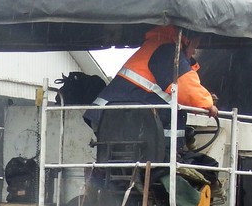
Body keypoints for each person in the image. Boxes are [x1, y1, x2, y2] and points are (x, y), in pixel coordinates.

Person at [85, 25, 219, 134]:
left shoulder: (157, 46)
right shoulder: (168, 51)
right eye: (194, 47)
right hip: (122, 120)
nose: (194, 52)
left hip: (113, 118)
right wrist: (207, 104)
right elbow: (186, 87)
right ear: (186, 41)